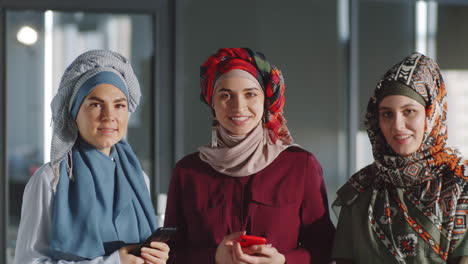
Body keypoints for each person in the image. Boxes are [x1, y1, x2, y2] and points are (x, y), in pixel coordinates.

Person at [164, 48, 335, 264]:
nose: (238, 106)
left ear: (265, 101)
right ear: (212, 103)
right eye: (225, 95)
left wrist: (283, 261)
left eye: (250, 94)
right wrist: (213, 258)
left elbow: (325, 249)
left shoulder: (300, 165)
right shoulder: (188, 171)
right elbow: (167, 254)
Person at [14, 50, 170, 264]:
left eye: (119, 105)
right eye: (96, 104)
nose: (109, 116)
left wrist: (156, 257)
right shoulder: (51, 179)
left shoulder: (139, 179)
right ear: (74, 113)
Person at [332, 52, 468, 264]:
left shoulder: (460, 184)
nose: (397, 126)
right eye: (387, 114)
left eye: (409, 112)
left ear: (431, 115)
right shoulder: (359, 190)